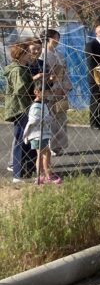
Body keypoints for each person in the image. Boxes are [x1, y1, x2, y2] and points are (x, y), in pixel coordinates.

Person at [5, 42, 40, 183]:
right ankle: (18, 174)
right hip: (21, 108)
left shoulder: (23, 68)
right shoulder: (18, 70)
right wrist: (34, 84)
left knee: (29, 139)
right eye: (27, 52)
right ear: (21, 54)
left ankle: (28, 171)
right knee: (21, 139)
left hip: (26, 106)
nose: (30, 54)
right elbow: (20, 89)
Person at [42, 30, 71, 158]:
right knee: (49, 119)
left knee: (61, 118)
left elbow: (65, 72)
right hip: (48, 90)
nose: (58, 40)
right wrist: (52, 87)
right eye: (55, 38)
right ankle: (50, 146)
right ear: (48, 38)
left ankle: (59, 146)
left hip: (61, 90)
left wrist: (65, 88)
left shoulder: (59, 54)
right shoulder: (42, 54)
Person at [25, 85, 58, 184]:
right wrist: (46, 119)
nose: (46, 94)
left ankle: (41, 176)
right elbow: (34, 120)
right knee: (45, 153)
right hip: (37, 134)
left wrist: (48, 118)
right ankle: (47, 176)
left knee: (42, 154)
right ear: (36, 92)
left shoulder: (42, 104)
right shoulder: (35, 106)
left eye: (47, 92)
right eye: (44, 92)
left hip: (42, 133)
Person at [85, 24, 100, 129]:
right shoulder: (91, 45)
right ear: (96, 33)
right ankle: (94, 122)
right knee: (95, 98)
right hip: (95, 75)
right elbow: (91, 63)